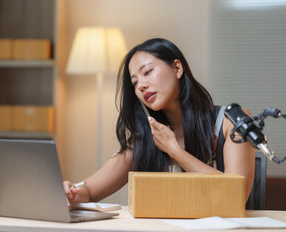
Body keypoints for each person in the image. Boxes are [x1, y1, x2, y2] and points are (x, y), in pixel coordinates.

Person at [63, 38, 255, 204]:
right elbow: (89, 191)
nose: (141, 86)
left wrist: (174, 151)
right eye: (135, 82)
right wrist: (70, 192)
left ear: (177, 68)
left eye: (147, 72)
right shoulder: (145, 139)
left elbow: (236, 195)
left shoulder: (232, 122)